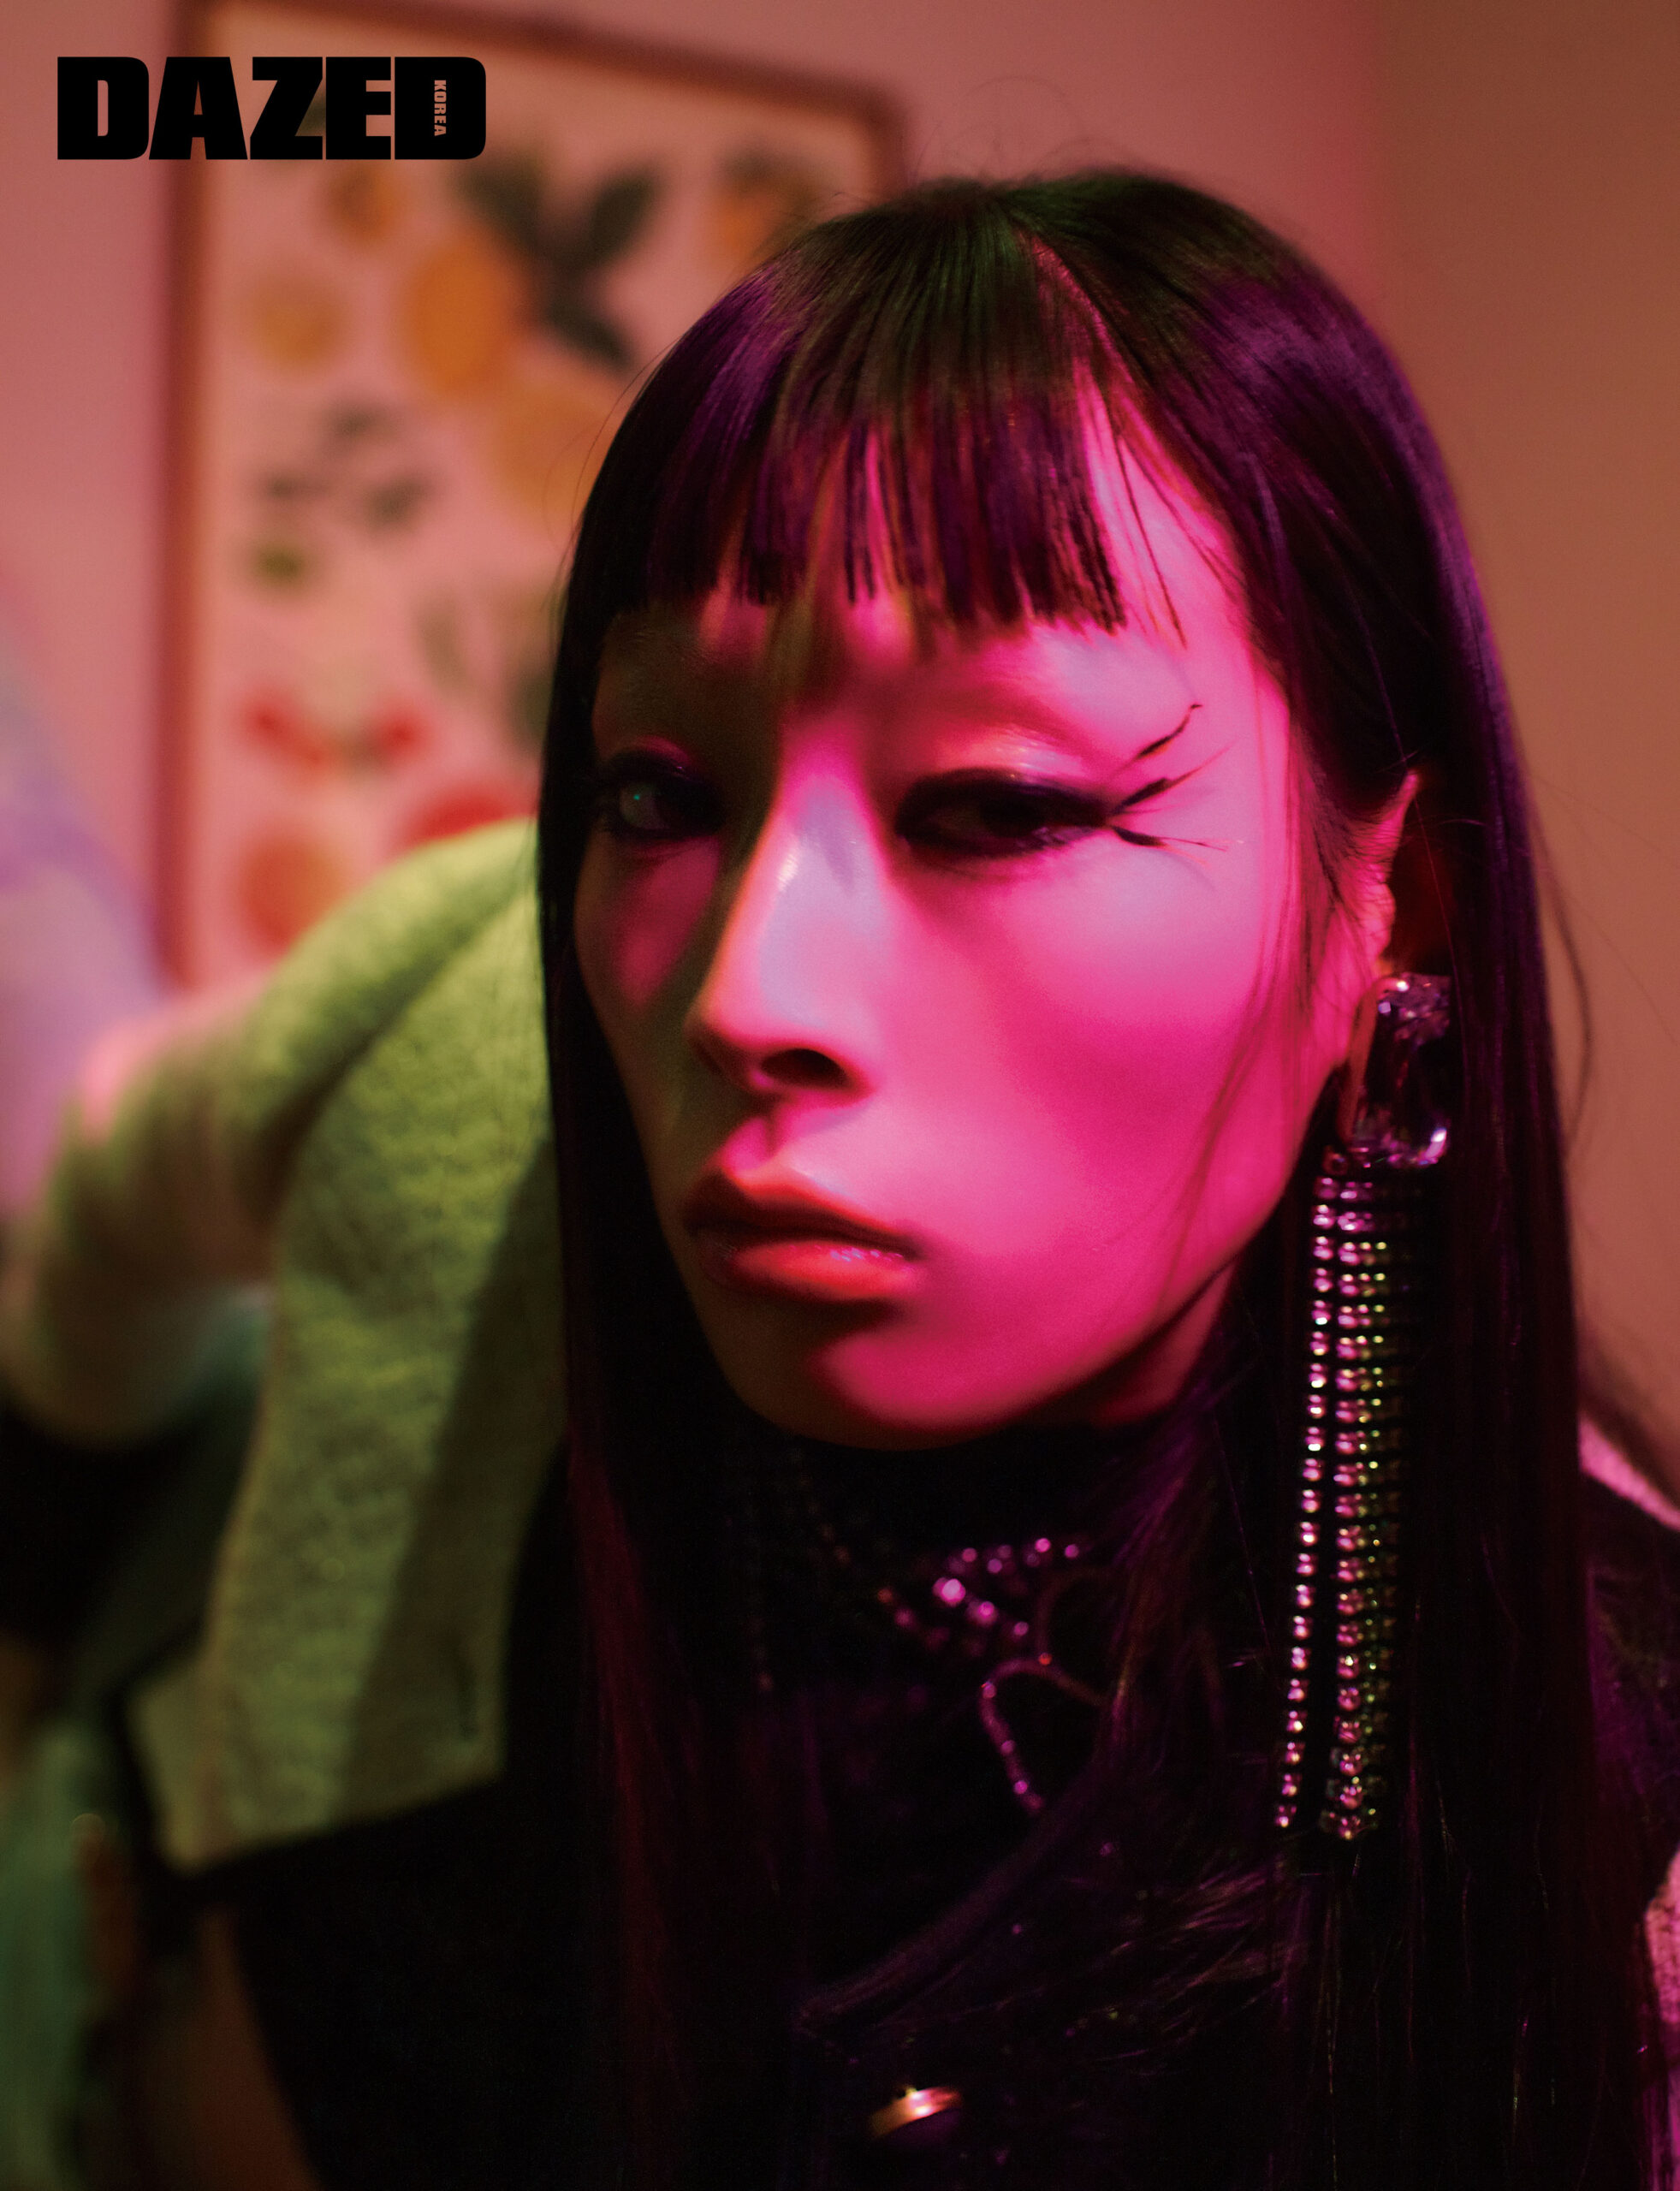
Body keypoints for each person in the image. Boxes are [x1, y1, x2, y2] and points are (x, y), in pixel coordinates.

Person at [1, 170, 1677, 2190]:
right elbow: (105, 1189)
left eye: (995, 804)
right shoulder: (468, 1004)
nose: (743, 992)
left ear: (1388, 906)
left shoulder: (1591, 1774)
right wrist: (49, 1553)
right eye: (656, 792)